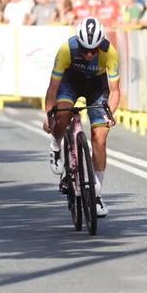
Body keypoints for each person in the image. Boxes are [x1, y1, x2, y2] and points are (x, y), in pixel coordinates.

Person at [41, 17, 120, 218]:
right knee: (63, 114)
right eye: (84, 49)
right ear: (78, 42)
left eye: (94, 50)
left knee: (100, 139)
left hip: (97, 86)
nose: (88, 54)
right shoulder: (67, 49)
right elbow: (53, 88)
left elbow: (115, 91)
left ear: (101, 45)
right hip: (70, 83)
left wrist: (110, 113)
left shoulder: (110, 53)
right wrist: (50, 115)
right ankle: (56, 146)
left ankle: (96, 195)